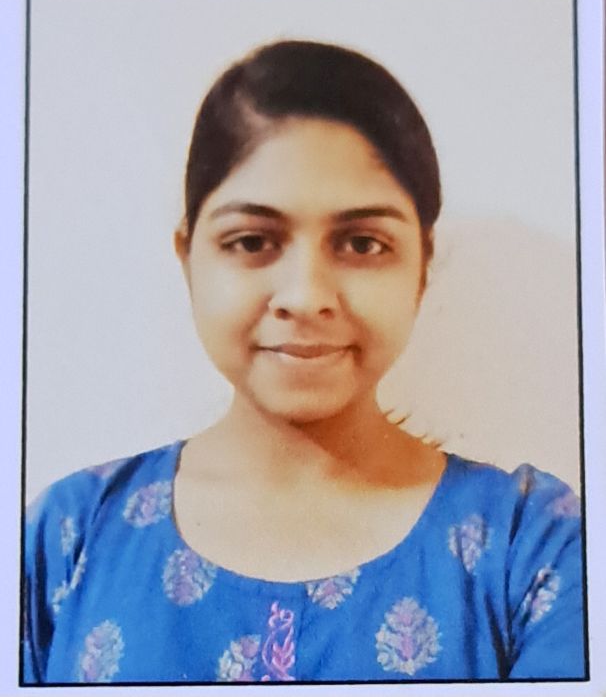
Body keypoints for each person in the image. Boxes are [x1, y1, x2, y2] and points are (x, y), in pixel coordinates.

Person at [22, 40, 585, 684]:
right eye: (252, 241)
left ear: (423, 266)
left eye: (363, 243)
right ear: (188, 258)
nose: (306, 295)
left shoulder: (531, 551)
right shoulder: (68, 538)